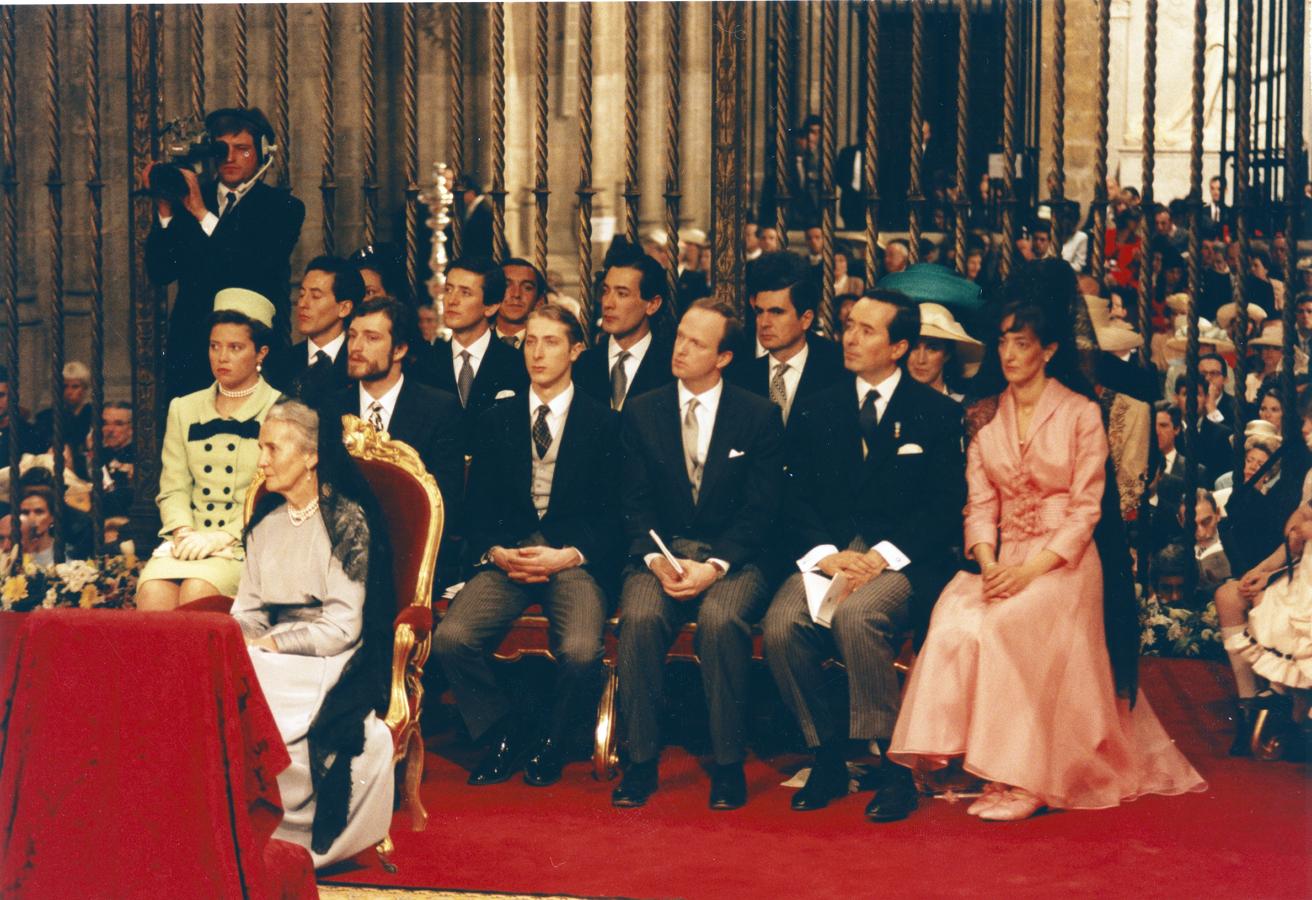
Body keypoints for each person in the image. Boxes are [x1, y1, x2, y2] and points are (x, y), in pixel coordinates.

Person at [889, 299, 1206, 820]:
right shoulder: (986, 416)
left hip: (1064, 563)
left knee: (1011, 623)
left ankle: (1026, 775)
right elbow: (980, 502)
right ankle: (967, 759)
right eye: (1004, 343)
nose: (1010, 354)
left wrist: (1029, 571)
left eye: (1022, 343)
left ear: (1049, 350)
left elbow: (1086, 510)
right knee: (953, 619)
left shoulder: (1081, 413)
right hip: (1002, 555)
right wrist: (989, 564)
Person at [763, 291, 966, 822]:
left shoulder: (937, 414)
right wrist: (825, 556)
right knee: (781, 623)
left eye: (867, 330)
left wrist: (881, 557)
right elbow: (793, 496)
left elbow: (944, 507)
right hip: (831, 555)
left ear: (899, 346)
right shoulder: (816, 407)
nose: (851, 337)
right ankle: (826, 755)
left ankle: (895, 767)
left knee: (858, 615)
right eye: (850, 325)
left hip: (901, 559)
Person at [433, 304, 619, 788]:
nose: (537, 353)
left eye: (551, 342)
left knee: (581, 650)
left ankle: (553, 742)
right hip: (509, 559)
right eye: (530, 341)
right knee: (451, 639)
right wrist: (496, 553)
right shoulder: (497, 420)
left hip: (571, 561)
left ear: (577, 350)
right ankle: (503, 730)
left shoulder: (605, 423)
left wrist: (570, 555)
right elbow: (474, 515)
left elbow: (616, 519)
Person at [611, 298, 784, 811]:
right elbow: (631, 503)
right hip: (660, 552)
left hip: (732, 556)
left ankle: (728, 765)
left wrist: (715, 567)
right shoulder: (643, 411)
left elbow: (762, 511)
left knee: (722, 620)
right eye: (680, 336)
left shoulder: (758, 415)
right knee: (639, 618)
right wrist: (656, 560)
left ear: (724, 358)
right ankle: (640, 762)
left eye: (696, 343)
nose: (680, 349)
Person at [233, 399, 395, 868]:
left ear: (310, 456)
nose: (262, 460)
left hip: (331, 656)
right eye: (260, 447)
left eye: (272, 448)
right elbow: (246, 610)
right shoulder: (264, 525)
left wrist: (273, 645)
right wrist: (244, 639)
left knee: (263, 684)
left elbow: (343, 626)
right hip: (270, 652)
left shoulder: (346, 522)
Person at [143, 107, 305, 400]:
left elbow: (250, 267)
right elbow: (161, 271)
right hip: (193, 351)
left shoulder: (283, 207)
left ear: (264, 152)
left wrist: (201, 214)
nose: (229, 158)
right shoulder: (191, 196)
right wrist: (166, 214)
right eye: (222, 148)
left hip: (255, 348)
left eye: (242, 149)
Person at [136, 289, 282, 611]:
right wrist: (185, 532)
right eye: (215, 346)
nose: (222, 357)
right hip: (187, 540)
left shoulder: (280, 409)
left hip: (244, 543)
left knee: (199, 591)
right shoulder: (184, 408)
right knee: (152, 592)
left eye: (235, 347)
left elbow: (275, 494)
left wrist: (223, 537)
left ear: (261, 353)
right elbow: (173, 487)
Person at [325, 296, 465, 557]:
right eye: (352, 336)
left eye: (371, 338)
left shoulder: (439, 409)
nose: (356, 347)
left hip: (411, 553)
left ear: (399, 349)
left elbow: (444, 504)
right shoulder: (329, 409)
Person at [415, 257, 528, 440]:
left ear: (491, 307)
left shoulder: (517, 364)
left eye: (465, 293)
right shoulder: (425, 364)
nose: (452, 300)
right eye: (448, 289)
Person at [727, 251, 844, 427]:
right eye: (759, 311)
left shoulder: (838, 366)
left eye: (776, 312)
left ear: (806, 319)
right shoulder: (736, 368)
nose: (764, 322)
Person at [574, 250, 675, 412]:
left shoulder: (672, 368)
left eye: (622, 294)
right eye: (606, 291)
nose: (607, 303)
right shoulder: (580, 366)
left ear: (652, 304)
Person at [282, 256, 364, 403]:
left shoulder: (360, 363)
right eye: (301, 294)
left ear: (344, 308)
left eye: (315, 296)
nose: (302, 304)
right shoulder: (281, 363)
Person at [905, 302, 982, 402]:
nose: (921, 360)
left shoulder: (968, 407)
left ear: (947, 354)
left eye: (932, 349)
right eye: (913, 348)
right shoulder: (889, 404)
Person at [33, 361, 93, 454]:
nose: (69, 392)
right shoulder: (45, 418)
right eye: (64, 386)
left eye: (75, 386)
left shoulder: (95, 415)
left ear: (85, 388)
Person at [496, 258, 547, 349]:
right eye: (506, 285)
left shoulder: (547, 346)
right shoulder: (477, 343)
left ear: (539, 301)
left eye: (527, 288)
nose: (516, 294)